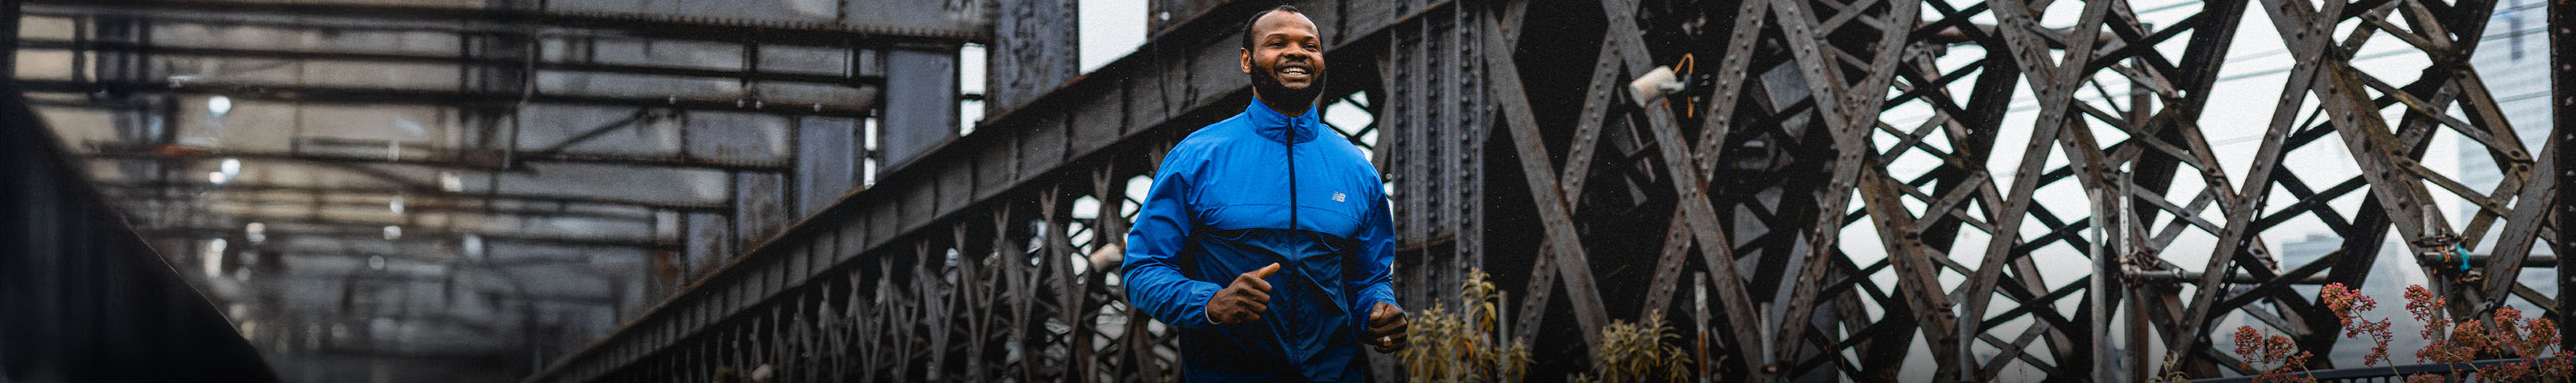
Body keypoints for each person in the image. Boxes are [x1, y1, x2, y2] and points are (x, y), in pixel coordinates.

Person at [1120, 5, 1408, 382]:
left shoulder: (1355, 169)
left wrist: (1380, 311)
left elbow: (1368, 278)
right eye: (1277, 43)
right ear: (1246, 60)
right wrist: (1210, 301)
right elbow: (1143, 269)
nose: (1297, 52)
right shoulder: (1197, 157)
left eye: (1310, 45)